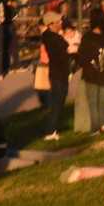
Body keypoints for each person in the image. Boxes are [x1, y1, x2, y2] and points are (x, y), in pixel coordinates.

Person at [75, 8, 104, 134]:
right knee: (103, 100)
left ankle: (95, 127)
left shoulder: (87, 37)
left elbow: (82, 57)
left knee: (93, 101)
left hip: (90, 73)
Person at [41, 11, 69, 141]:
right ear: (51, 24)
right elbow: (62, 51)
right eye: (58, 22)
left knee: (58, 102)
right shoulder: (53, 38)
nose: (61, 23)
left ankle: (52, 128)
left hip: (58, 72)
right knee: (57, 102)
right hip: (58, 73)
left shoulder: (51, 36)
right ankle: (50, 130)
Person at [2, 0, 20, 73]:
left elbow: (18, 4)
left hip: (11, 20)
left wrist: (12, 3)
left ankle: (15, 64)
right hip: (3, 20)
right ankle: (6, 64)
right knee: (5, 43)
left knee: (13, 43)